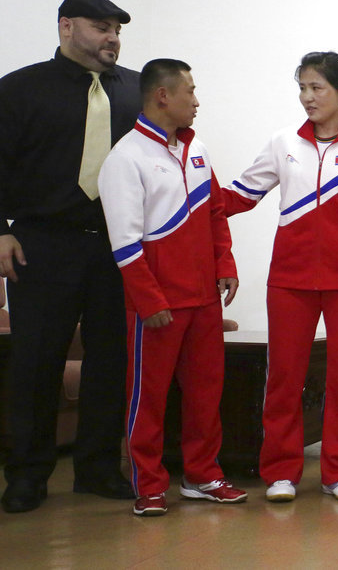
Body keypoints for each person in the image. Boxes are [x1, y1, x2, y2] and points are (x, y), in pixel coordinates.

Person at [222, 52, 338, 503]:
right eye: (302, 87)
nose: (307, 97)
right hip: (290, 280)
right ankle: (280, 470)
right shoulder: (283, 143)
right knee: (284, 376)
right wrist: (183, 196)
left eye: (316, 88)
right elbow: (241, 195)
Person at [0, 0, 138, 513]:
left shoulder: (134, 92)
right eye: (101, 28)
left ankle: (98, 467)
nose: (112, 38)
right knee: (36, 362)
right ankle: (28, 474)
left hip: (116, 245)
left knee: (110, 360)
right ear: (66, 27)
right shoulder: (19, 89)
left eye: (117, 30)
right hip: (42, 243)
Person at [97, 59, 246, 516]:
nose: (197, 101)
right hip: (159, 305)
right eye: (190, 92)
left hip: (203, 299)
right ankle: (149, 485)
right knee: (149, 397)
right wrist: (148, 300)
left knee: (206, 394)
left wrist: (226, 263)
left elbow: (215, 211)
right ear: (163, 96)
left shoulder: (195, 148)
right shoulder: (125, 157)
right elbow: (123, 240)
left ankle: (202, 475)